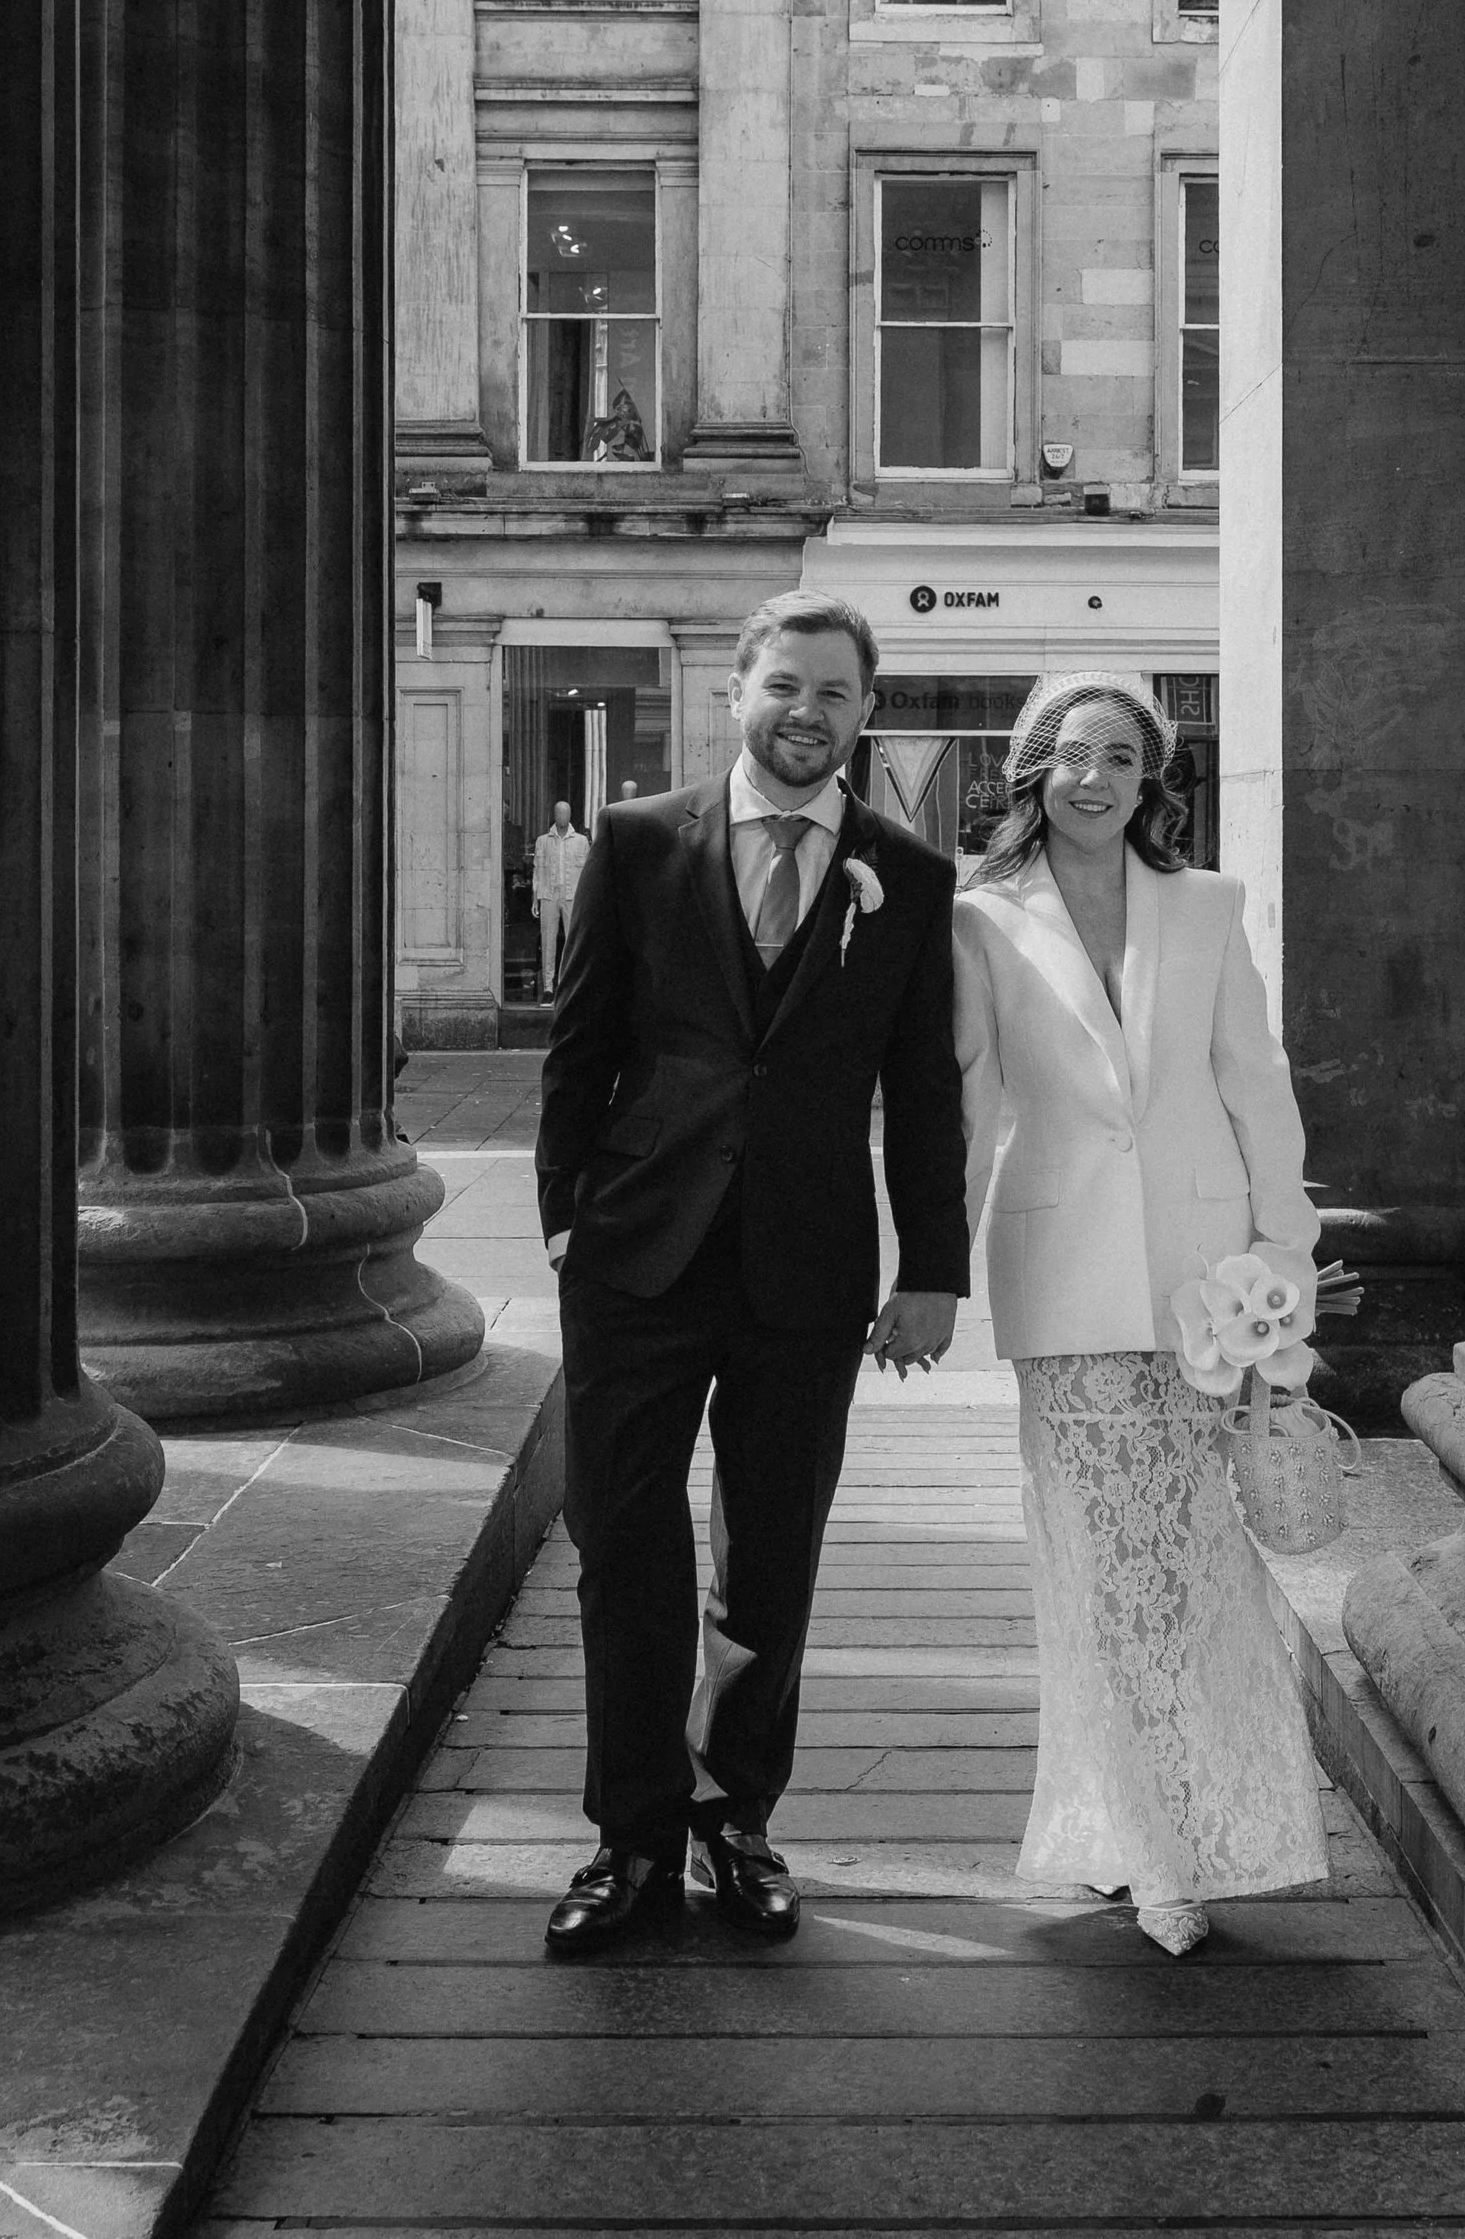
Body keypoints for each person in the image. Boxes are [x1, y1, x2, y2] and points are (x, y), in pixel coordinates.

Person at [535, 592, 968, 1957]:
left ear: (864, 712)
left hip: (808, 1260)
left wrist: (935, 1267)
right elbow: (579, 1044)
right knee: (623, 1541)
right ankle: (632, 1833)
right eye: (785, 686)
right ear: (736, 691)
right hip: (637, 1253)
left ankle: (740, 1821)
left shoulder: (909, 872)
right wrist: (562, 1219)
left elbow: (923, 1090)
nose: (807, 714)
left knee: (771, 1553)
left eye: (835, 694)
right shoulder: (642, 839)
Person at [953, 671, 1349, 1956]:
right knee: (1095, 1567)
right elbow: (965, 1106)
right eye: (1071, 754)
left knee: (1185, 1567)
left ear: (1150, 779)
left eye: (1119, 757)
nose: (1092, 777)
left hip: (1203, 1280)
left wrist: (1280, 1255)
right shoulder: (980, 919)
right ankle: (1146, 1846)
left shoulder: (1207, 906)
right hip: (1059, 1277)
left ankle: (1189, 1823)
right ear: (1032, 769)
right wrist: (925, 1271)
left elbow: (1256, 1083)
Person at [531, 801, 588, 997]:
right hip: (549, 894)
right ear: (554, 815)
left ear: (570, 815)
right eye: (559, 813)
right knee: (548, 940)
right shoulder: (543, 841)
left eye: (566, 813)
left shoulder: (581, 841)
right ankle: (548, 986)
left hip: (573, 896)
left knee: (574, 940)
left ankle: (571, 983)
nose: (562, 817)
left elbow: (588, 874)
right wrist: (534, 899)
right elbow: (537, 871)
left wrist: (586, 900)